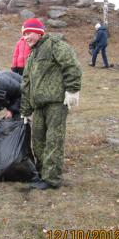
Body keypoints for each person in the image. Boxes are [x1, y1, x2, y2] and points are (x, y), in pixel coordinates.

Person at [20, 18, 82, 190]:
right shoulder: (32, 55)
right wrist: (25, 110)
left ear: (39, 32)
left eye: (29, 33)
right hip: (38, 105)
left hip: (56, 103)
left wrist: (72, 90)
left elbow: (72, 66)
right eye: (24, 34)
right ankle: (41, 174)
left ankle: (51, 179)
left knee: (54, 140)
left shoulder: (55, 45)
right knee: (38, 140)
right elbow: (26, 83)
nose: (26, 37)